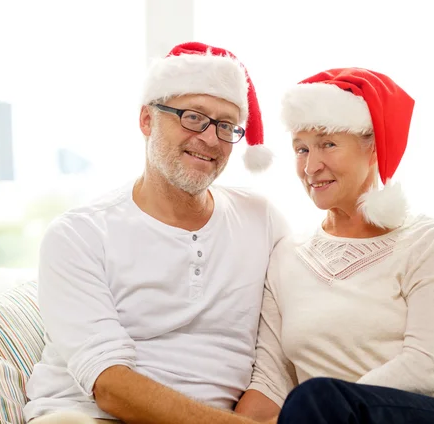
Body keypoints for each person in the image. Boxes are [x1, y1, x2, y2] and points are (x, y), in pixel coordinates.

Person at [24, 42, 287, 424]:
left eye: (226, 125)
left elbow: (274, 360)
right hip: (88, 416)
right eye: (193, 117)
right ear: (147, 120)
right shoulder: (78, 234)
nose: (211, 139)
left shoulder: (262, 220)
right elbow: (109, 385)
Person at [234, 68, 434, 424]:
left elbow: (427, 369)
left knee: (319, 399)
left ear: (373, 147)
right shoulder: (286, 256)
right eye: (301, 149)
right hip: (325, 414)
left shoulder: (429, 241)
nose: (311, 166)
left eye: (328, 144)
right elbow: (270, 382)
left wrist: (328, 410)